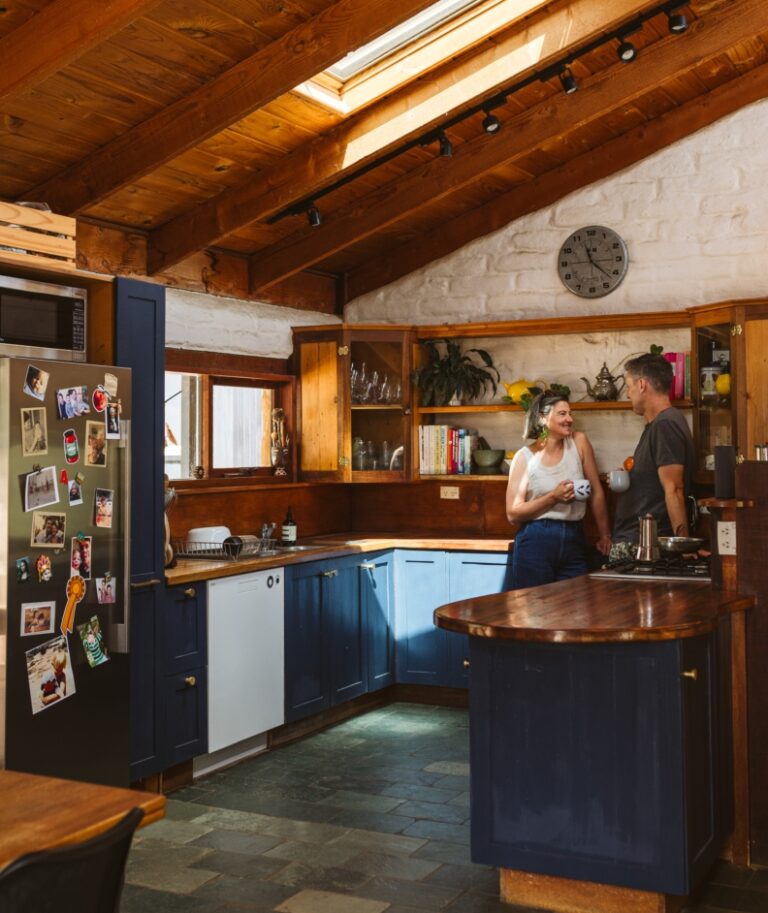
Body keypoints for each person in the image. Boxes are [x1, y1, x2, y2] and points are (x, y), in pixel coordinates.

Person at [506, 391, 612, 588]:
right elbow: (513, 513)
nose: (569, 419)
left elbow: (596, 492)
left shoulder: (579, 442)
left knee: (576, 612)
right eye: (562, 414)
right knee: (534, 612)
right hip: (536, 541)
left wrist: (605, 535)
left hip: (575, 538)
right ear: (543, 418)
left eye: (569, 413)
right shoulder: (524, 458)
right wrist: (552, 498)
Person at [611, 354, 695, 558]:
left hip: (646, 546)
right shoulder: (662, 423)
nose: (628, 394)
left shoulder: (665, 425)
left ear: (642, 385)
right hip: (641, 542)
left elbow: (674, 488)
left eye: (628, 386)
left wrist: (682, 547)